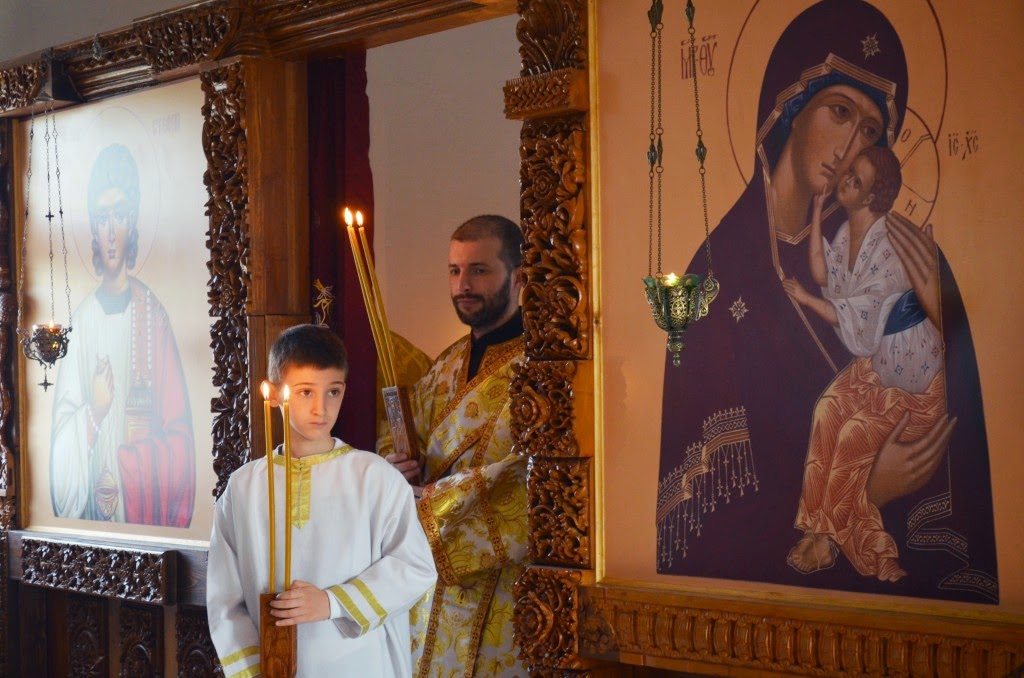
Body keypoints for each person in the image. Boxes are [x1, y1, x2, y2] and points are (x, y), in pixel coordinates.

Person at [655, 0, 998, 604]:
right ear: (789, 107)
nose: (849, 145)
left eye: (870, 131)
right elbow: (702, 522)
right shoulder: (716, 272)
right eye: (840, 112)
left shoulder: (903, 252)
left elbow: (953, 435)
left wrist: (943, 321)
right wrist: (868, 489)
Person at [207, 324, 436, 677]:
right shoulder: (243, 487)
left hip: (360, 664)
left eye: (333, 391)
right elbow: (225, 598)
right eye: (305, 392)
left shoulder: (375, 477)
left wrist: (331, 602)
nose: (321, 408)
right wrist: (254, 669)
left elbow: (415, 567)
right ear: (275, 395)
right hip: (272, 667)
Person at [782, 147, 944, 582]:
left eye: (856, 179)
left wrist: (805, 300)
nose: (846, 180)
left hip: (912, 378)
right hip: (877, 364)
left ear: (873, 196)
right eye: (849, 173)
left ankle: (831, 541)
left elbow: (854, 319)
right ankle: (813, 528)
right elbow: (825, 275)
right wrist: (817, 216)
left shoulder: (889, 247)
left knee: (853, 433)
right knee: (826, 409)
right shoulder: (846, 232)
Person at [378, 214, 529, 677]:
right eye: (454, 270)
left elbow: (530, 477)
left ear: (518, 277)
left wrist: (427, 505)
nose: (463, 285)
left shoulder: (541, 371)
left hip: (503, 593)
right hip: (431, 595)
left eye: (479, 270)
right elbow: (397, 441)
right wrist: (392, 469)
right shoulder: (444, 367)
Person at [50, 142, 196, 527]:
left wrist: (129, 463)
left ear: (132, 222)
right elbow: (59, 448)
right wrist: (94, 413)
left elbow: (181, 443)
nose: (111, 232)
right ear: (93, 229)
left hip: (139, 519)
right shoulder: (80, 323)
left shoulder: (153, 317)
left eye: (119, 215)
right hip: (88, 520)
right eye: (102, 218)